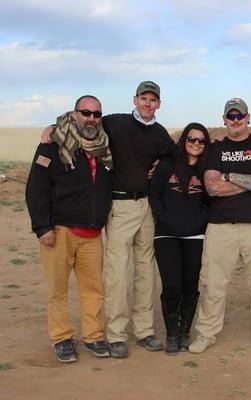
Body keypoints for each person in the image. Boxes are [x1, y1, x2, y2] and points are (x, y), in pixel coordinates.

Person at [42, 81, 177, 357]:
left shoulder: (160, 133)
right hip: (120, 205)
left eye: (153, 100)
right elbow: (83, 123)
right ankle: (116, 334)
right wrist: (52, 127)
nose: (148, 104)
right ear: (135, 99)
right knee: (117, 271)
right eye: (143, 98)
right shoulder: (115, 123)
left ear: (159, 104)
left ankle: (144, 331)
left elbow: (170, 157)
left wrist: (159, 168)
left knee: (146, 270)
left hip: (146, 206)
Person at [189, 98, 251, 356]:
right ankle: (206, 333)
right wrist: (249, 180)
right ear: (224, 119)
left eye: (240, 116)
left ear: (248, 117)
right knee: (213, 285)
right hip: (221, 227)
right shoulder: (215, 149)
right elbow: (212, 188)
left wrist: (229, 176)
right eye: (231, 116)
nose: (236, 121)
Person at [26, 95, 113, 363]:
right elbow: (36, 188)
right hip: (60, 231)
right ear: (74, 114)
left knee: (94, 289)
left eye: (96, 114)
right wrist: (42, 227)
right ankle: (62, 338)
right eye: (86, 112)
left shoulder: (104, 146)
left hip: (92, 234)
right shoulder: (53, 145)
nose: (91, 118)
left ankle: (93, 336)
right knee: (58, 289)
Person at [148, 123, 211, 355]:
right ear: (184, 140)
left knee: (190, 285)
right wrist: (163, 217)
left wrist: (200, 221)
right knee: (172, 285)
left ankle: (185, 332)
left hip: (195, 234)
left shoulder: (207, 169)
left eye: (201, 140)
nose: (196, 144)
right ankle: (172, 333)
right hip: (167, 233)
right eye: (191, 139)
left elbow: (211, 202)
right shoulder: (167, 165)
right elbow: (154, 193)